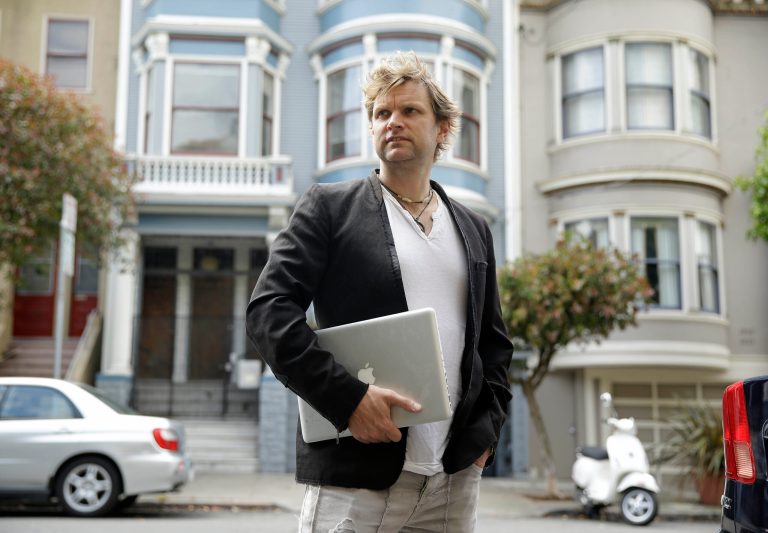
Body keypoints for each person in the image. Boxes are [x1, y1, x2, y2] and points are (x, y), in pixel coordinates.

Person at [246, 51, 513, 532]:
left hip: (452, 482)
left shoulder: (474, 229)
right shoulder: (328, 208)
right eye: (381, 113)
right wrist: (347, 400)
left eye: (410, 110)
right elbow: (269, 312)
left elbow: (493, 344)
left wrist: (485, 434)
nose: (393, 121)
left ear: (443, 129)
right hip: (355, 477)